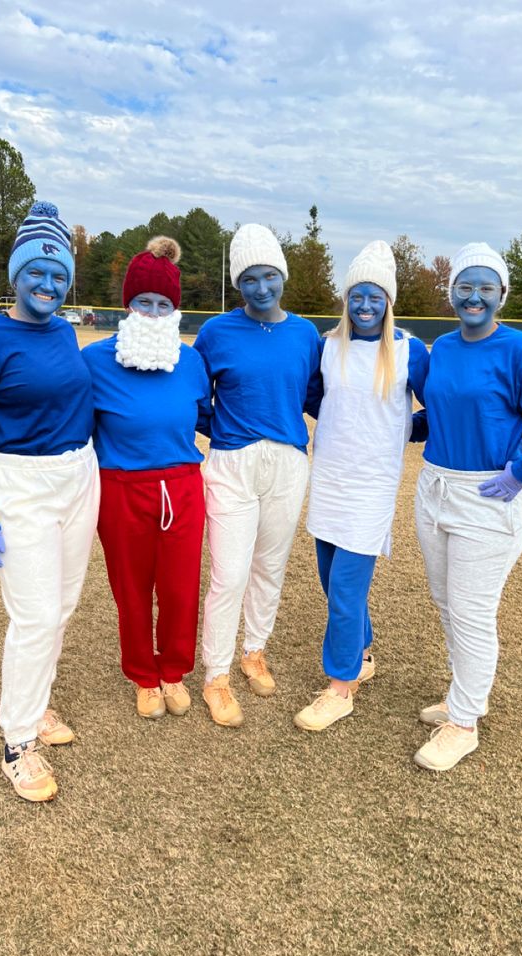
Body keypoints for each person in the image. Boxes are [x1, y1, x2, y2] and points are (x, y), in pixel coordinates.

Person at [0, 201, 100, 802]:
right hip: (19, 485)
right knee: (33, 616)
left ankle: (35, 707)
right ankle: (17, 741)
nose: (49, 285)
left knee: (60, 607)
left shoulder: (63, 330)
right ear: (15, 275)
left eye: (59, 275)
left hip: (76, 478)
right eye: (37, 272)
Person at [413, 242, 522, 771]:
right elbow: (436, 417)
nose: (474, 297)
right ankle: (464, 693)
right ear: (451, 292)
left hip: (490, 497)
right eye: (465, 287)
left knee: (472, 612)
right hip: (436, 488)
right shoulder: (443, 347)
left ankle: (463, 724)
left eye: (486, 288)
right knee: (446, 604)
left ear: (501, 293)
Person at [293, 241, 429, 731]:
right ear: (346, 300)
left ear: (388, 301)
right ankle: (364, 653)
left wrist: (401, 429)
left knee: (347, 591)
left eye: (375, 297)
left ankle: (340, 687)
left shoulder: (411, 352)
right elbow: (315, 399)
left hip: (371, 489)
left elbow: (439, 407)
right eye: (357, 296)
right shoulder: (329, 347)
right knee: (332, 585)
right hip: (329, 479)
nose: (365, 306)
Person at [193, 223, 322, 726]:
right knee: (229, 573)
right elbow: (198, 399)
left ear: (281, 275)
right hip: (233, 462)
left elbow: (313, 397)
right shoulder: (217, 332)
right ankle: (216, 675)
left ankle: (254, 650)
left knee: (269, 566)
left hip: (288, 462)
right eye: (249, 278)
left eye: (269, 275)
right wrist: (224, 430)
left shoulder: (304, 333)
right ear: (238, 283)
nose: (261, 287)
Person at [82, 238, 211, 720]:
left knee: (179, 587)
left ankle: (174, 671)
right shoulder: (95, 361)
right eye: (144, 302)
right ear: (127, 305)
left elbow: (204, 416)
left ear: (174, 309)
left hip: (180, 484)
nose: (153, 313)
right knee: (131, 588)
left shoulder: (191, 360)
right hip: (120, 486)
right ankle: (143, 675)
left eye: (163, 304)